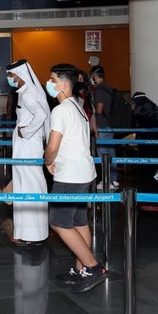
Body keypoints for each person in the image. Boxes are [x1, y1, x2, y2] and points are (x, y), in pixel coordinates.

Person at [44, 64, 107, 292]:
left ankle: (92, 266)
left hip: (70, 175)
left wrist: (47, 160)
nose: (49, 83)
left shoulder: (60, 110)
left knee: (59, 222)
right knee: (79, 221)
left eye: (52, 80)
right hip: (85, 173)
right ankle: (81, 268)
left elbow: (53, 146)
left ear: (64, 83)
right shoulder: (78, 106)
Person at [5, 59, 50, 245]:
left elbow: (41, 114)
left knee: (30, 185)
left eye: (12, 75)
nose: (10, 79)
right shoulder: (25, 92)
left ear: (21, 75)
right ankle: (27, 232)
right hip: (26, 145)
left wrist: (26, 131)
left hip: (28, 146)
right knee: (24, 184)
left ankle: (32, 234)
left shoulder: (28, 94)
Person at [90, 66, 119, 190]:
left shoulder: (100, 90)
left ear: (95, 76)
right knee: (111, 152)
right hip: (109, 125)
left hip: (102, 125)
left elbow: (99, 109)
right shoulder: (108, 88)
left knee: (104, 154)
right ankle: (113, 179)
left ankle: (108, 180)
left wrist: (93, 113)